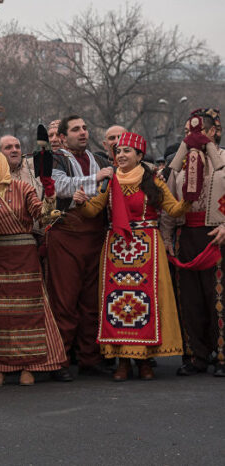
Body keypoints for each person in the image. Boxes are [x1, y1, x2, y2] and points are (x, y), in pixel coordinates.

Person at [74, 132, 190, 381]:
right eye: (118, 151)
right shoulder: (110, 179)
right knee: (119, 302)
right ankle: (123, 361)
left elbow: (174, 209)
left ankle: (144, 361)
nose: (122, 155)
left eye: (128, 151)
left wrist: (190, 199)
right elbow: (95, 209)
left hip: (147, 245)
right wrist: (82, 202)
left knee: (147, 301)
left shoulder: (154, 181)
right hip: (117, 246)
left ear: (139, 155)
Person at [0, 150, 66, 387]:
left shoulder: (23, 188)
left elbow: (39, 214)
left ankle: (30, 366)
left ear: (1, 166)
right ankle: (0, 367)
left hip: (25, 254)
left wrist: (49, 199)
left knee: (29, 310)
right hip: (0, 257)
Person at [46, 114, 113, 381]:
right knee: (64, 300)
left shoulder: (99, 159)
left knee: (91, 301)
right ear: (62, 137)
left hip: (95, 234)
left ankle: (90, 358)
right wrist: (97, 178)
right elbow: (59, 186)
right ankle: (60, 360)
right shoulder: (55, 158)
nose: (83, 132)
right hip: (66, 233)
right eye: (76, 129)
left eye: (85, 128)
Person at [161, 109, 225, 376]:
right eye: (188, 133)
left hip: (217, 238)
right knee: (190, 300)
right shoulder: (179, 165)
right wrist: (166, 238)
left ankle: (222, 356)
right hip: (186, 236)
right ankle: (196, 355)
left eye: (198, 132)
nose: (192, 137)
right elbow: (168, 204)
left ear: (211, 133)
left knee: (218, 299)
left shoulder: (224, 160)